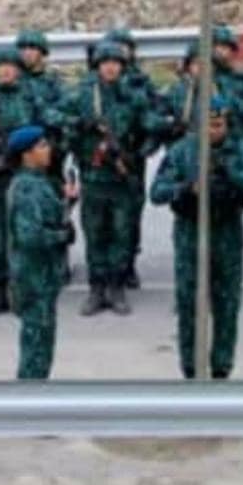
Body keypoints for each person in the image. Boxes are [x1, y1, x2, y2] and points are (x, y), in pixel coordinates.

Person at [150, 93, 243, 379]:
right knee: (189, 302)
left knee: (227, 303)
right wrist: (185, 188)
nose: (213, 131)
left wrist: (231, 171)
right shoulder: (182, 151)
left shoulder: (239, 150)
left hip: (226, 231)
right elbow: (156, 192)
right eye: (207, 125)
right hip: (190, 231)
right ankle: (191, 367)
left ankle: (222, 367)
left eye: (218, 125)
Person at [64, 38, 169, 316]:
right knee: (95, 234)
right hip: (93, 178)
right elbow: (61, 123)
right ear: (97, 66)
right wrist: (80, 129)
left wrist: (139, 154)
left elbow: (154, 126)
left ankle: (117, 287)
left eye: (115, 63)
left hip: (122, 180)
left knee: (122, 235)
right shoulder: (83, 96)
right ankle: (96, 289)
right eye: (105, 63)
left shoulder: (132, 97)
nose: (110, 68)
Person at [0, 47, 45, 319]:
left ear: (19, 71)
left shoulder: (31, 98)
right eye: (0, 66)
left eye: (10, 66)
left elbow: (46, 130)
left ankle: (22, 291)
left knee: (24, 235)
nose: (4, 70)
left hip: (22, 178)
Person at [6, 125, 75, 379]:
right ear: (27, 154)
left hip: (43, 276)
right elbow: (30, 236)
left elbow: (48, 217)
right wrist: (62, 236)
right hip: (34, 279)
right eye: (42, 146)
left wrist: (68, 203)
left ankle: (35, 395)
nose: (48, 150)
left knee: (42, 347)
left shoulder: (38, 182)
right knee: (36, 350)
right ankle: (28, 398)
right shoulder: (27, 188)